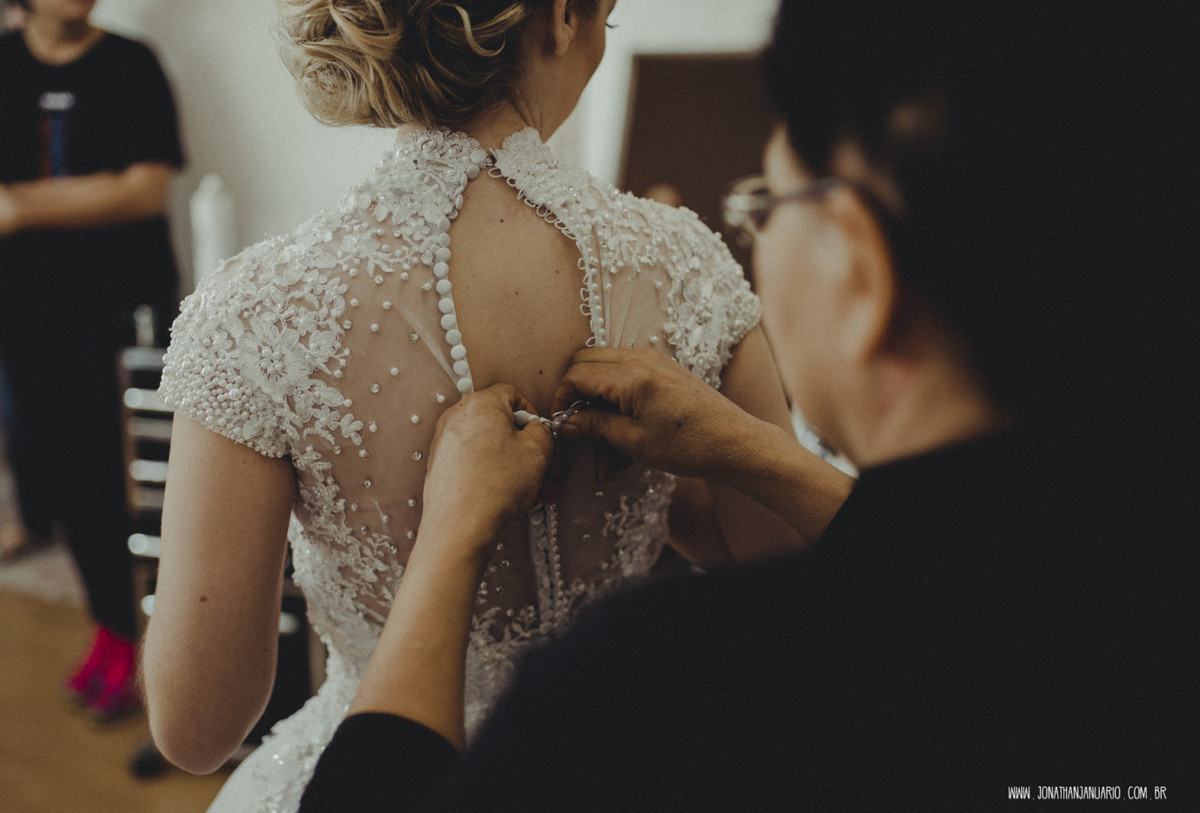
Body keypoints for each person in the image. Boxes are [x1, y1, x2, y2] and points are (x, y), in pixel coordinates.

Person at [298, 2, 1195, 809]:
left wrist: (451, 539)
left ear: (860, 271)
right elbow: (968, 588)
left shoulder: (671, 690)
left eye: (763, 204)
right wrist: (755, 451)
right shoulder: (1134, 603)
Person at [142, 1, 847, 809]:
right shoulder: (687, 267)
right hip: (626, 766)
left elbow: (197, 726)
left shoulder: (260, 312)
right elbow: (786, 580)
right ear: (557, 18)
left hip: (383, 775)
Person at [0, 0, 183, 719]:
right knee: (61, 478)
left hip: (119, 308)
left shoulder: (131, 65)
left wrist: (20, 206)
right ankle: (110, 631)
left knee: (127, 483)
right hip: (27, 307)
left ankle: (154, 645)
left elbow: (143, 190)